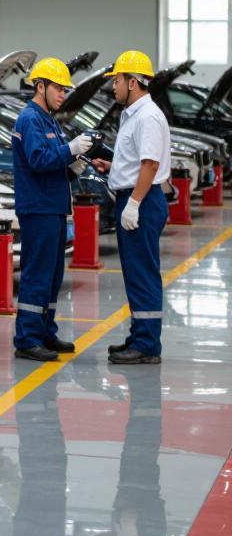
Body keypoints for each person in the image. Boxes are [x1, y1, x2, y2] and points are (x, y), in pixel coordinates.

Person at [11, 57, 94, 362]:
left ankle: (45, 331)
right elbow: (38, 160)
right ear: (40, 86)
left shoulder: (48, 120)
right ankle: (27, 338)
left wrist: (77, 164)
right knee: (37, 274)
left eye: (65, 89)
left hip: (53, 208)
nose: (63, 94)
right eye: (58, 88)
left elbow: (54, 165)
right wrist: (71, 149)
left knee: (53, 275)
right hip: (38, 209)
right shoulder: (30, 119)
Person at [92, 50, 171, 365]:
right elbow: (138, 161)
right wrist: (113, 166)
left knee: (143, 274)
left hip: (143, 201)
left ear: (133, 82)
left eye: (117, 80)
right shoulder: (134, 114)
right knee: (136, 274)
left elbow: (150, 164)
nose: (113, 86)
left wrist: (134, 203)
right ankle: (140, 336)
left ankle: (147, 345)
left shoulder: (147, 116)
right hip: (138, 197)